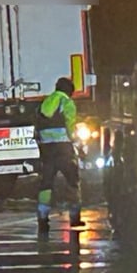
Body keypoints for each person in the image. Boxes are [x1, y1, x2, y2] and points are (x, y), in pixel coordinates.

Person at [35, 76, 82, 233]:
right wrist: (76, 142)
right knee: (72, 180)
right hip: (63, 148)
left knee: (46, 183)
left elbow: (38, 124)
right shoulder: (66, 102)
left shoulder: (46, 102)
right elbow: (70, 125)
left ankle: (42, 218)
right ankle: (74, 217)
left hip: (47, 149)